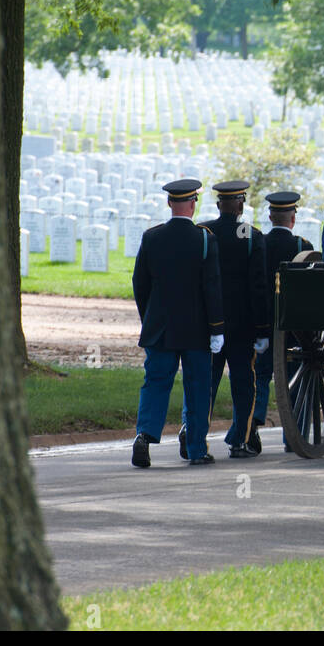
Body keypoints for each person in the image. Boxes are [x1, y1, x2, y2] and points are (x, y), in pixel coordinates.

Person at [130, 179, 225, 468]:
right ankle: (196, 448)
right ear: (193, 204)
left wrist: (149, 316)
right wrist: (217, 327)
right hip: (196, 329)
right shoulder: (205, 239)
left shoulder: (152, 237)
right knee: (197, 387)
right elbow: (212, 287)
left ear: (170, 203)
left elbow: (140, 283)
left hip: (160, 327)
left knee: (156, 383)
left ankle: (144, 437)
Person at [198, 180, 270, 459]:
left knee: (206, 382)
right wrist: (262, 328)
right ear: (240, 205)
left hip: (209, 323)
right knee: (243, 384)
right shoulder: (251, 235)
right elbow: (258, 287)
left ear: (218, 205)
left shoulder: (203, 232)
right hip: (242, 326)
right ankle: (238, 439)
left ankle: (192, 431)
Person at [251, 191, 314, 452]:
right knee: (294, 380)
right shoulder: (302, 247)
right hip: (293, 328)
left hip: (263, 324)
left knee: (260, 377)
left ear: (270, 216)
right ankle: (293, 435)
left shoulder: (257, 244)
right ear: (293, 219)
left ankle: (251, 428)